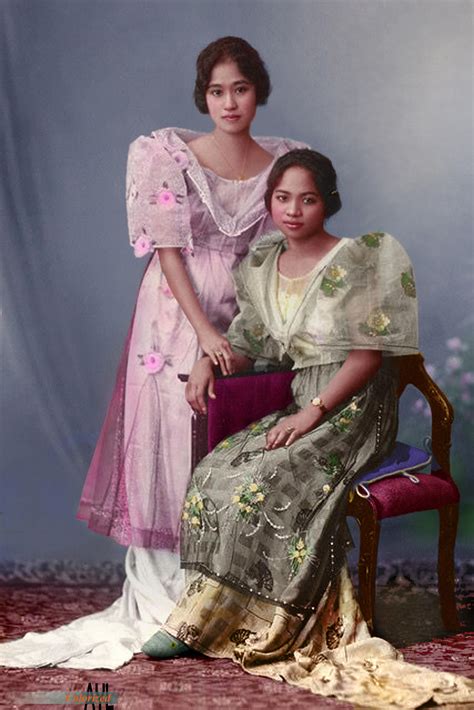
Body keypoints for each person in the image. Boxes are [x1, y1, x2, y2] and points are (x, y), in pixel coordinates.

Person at [0, 37, 306, 670]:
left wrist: (239, 335)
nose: (230, 102)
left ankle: (229, 591)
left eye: (241, 89)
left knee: (237, 441)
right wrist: (205, 338)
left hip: (248, 311)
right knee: (172, 438)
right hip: (176, 310)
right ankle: (173, 596)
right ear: (204, 95)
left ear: (259, 92)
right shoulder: (164, 153)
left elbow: (279, 260)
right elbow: (168, 251)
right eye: (218, 91)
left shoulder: (286, 162)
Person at [141, 150, 474, 707]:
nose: (293, 210)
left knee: (271, 480)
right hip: (301, 396)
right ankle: (207, 619)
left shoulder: (362, 259)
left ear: (328, 202)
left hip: (352, 403)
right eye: (282, 198)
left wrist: (310, 413)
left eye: (308, 198)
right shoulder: (262, 263)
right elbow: (249, 346)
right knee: (216, 474)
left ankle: (277, 622)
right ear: (270, 203)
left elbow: (368, 357)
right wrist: (207, 357)